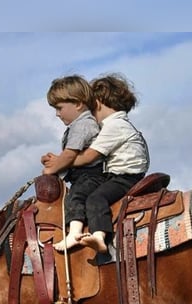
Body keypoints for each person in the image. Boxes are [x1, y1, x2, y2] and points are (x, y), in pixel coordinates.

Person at [64, 73, 149, 254]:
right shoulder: (120, 124)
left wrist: (65, 161)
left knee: (95, 198)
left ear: (99, 102)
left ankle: (99, 236)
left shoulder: (114, 126)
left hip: (124, 177)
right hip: (125, 175)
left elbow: (90, 156)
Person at [40, 75, 106, 251]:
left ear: (77, 104)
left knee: (76, 196)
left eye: (60, 108)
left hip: (91, 175)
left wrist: (51, 169)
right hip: (85, 174)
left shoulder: (82, 125)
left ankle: (74, 234)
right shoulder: (80, 125)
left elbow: (69, 155)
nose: (57, 113)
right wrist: (54, 161)